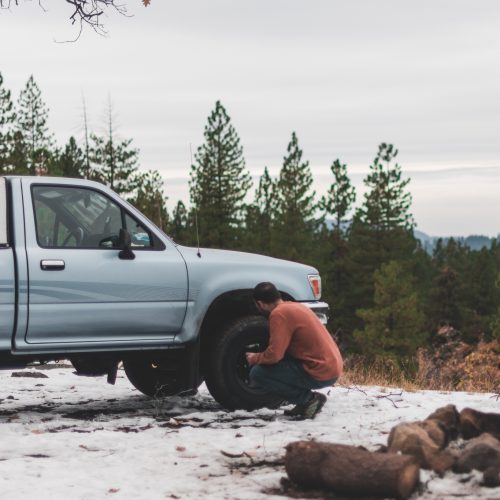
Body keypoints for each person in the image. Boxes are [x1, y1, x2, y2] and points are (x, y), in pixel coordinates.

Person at [246, 282, 343, 419]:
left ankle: (309, 399)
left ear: (260, 304)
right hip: (331, 366)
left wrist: (254, 358)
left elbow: (275, 355)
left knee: (258, 373)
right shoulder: (294, 306)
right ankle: (303, 404)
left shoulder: (278, 314)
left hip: (321, 371)